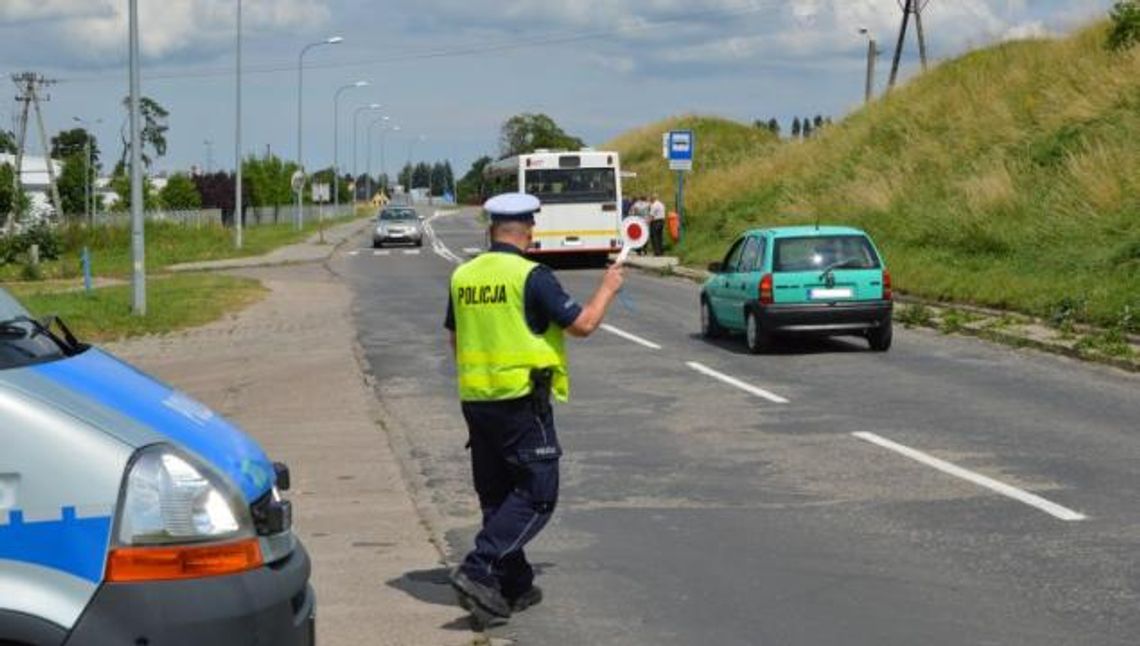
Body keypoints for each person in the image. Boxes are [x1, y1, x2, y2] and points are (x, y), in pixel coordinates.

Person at [445, 192, 625, 625]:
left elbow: (455, 338)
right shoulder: (532, 276)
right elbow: (582, 324)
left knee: (497, 495)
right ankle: (479, 567)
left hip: (477, 400)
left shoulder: (463, 275)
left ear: (491, 230)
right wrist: (608, 288)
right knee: (538, 494)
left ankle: (514, 584)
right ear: (529, 231)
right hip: (522, 402)